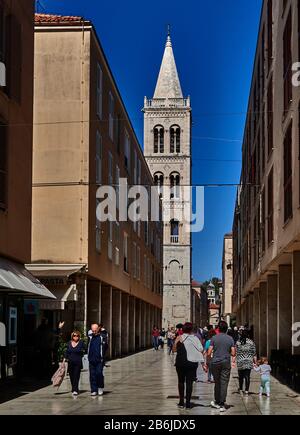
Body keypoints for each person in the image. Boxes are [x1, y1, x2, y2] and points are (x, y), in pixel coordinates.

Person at [173, 322, 206, 409]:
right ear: (191, 330)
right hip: (192, 363)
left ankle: (181, 402)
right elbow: (201, 349)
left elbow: (174, 350)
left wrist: (176, 342)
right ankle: (187, 403)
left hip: (180, 363)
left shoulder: (179, 337)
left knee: (180, 382)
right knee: (189, 383)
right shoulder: (195, 338)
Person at [208, 321, 236, 412]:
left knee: (217, 382)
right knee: (224, 382)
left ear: (218, 329)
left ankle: (217, 401)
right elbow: (233, 353)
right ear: (227, 329)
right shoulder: (230, 339)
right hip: (225, 362)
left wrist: (209, 360)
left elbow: (209, 352)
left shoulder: (214, 338)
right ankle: (222, 403)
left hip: (215, 362)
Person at [88, 323, 108, 396]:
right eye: (92, 330)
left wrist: (102, 356)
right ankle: (93, 390)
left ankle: (100, 387)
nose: (93, 332)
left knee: (99, 373)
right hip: (91, 359)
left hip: (99, 360)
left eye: (95, 330)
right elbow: (89, 332)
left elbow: (106, 345)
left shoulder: (102, 337)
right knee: (92, 375)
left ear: (98, 329)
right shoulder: (90, 337)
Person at [236, 329, 257, 395]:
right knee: (247, 376)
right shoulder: (251, 342)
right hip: (249, 361)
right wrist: (255, 362)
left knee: (240, 376)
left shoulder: (238, 342)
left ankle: (241, 389)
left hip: (240, 360)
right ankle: (247, 391)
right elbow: (254, 353)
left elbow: (236, 351)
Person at [65, 331, 86, 396]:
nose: (76, 337)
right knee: (71, 376)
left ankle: (75, 389)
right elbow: (67, 351)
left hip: (78, 362)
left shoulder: (81, 343)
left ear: (79, 336)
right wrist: (64, 359)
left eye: (77, 336)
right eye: (74, 335)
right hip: (70, 362)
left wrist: (81, 353)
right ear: (72, 336)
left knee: (76, 376)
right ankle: (73, 388)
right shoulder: (69, 343)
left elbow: (85, 350)